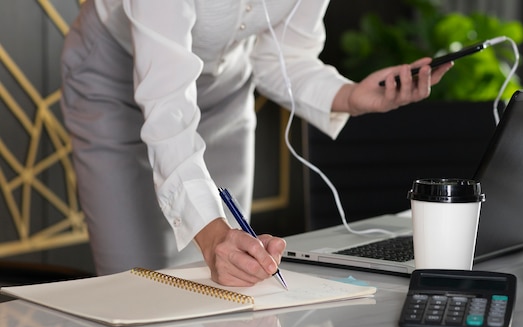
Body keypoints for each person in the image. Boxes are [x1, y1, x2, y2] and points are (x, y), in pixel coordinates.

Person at [60, 0, 451, 286]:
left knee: (224, 280)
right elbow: (168, 110)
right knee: (134, 286)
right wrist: (211, 235)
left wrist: (351, 96)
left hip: (223, 90)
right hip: (113, 84)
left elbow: (283, 58)